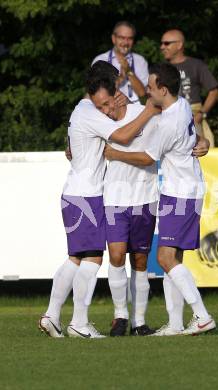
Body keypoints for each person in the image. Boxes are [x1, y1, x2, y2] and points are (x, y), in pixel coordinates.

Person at [38, 61, 159, 339]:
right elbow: (124, 135)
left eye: (107, 103)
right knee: (91, 259)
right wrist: (149, 110)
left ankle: (53, 316)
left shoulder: (83, 108)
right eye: (101, 104)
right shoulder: (90, 112)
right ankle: (76, 322)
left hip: (78, 193)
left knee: (78, 259)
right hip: (86, 195)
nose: (105, 109)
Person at [104, 63, 216, 336]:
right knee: (173, 258)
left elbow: (146, 158)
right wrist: (204, 142)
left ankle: (202, 315)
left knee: (165, 258)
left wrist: (115, 154)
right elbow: (195, 137)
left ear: (162, 89)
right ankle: (175, 323)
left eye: (151, 87)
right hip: (185, 190)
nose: (147, 91)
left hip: (181, 193)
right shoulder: (181, 106)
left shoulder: (168, 122)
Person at [160, 29, 218, 147]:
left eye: (167, 43)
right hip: (168, 119)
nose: (162, 47)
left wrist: (201, 114)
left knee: (200, 155)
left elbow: (214, 91)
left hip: (193, 117)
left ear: (179, 44)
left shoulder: (196, 65)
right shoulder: (161, 68)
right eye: (161, 43)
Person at [92, 21, 148, 103]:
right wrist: (121, 78)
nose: (126, 43)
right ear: (113, 38)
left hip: (136, 109)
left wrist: (128, 71)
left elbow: (143, 95)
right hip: (110, 110)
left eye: (130, 38)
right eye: (122, 38)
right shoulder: (101, 60)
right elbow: (97, 93)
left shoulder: (140, 60)